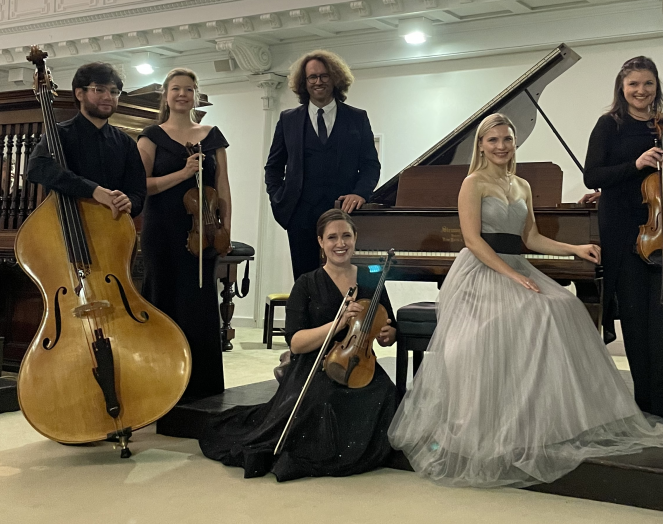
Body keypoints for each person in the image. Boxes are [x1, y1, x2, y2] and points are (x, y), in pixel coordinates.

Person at [387, 113, 663, 488]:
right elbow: (473, 241)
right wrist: (512, 276)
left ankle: (551, 417)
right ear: (481, 146)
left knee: (565, 306)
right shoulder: (472, 183)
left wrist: (574, 248)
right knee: (529, 313)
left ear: (515, 143)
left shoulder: (522, 185)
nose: (501, 146)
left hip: (516, 265)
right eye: (493, 140)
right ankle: (501, 421)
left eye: (507, 139)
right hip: (481, 271)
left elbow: (531, 238)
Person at [200, 209, 398, 481]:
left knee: (385, 393)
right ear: (320, 242)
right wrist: (338, 323)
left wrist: (388, 334)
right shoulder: (306, 283)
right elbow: (295, 343)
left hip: (360, 363)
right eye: (332, 237)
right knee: (323, 399)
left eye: (346, 236)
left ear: (355, 238)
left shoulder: (370, 279)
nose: (340, 243)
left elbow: (387, 327)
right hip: (314, 364)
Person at [583, 56, 663, 425]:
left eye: (648, 83)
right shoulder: (610, 125)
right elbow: (592, 176)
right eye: (633, 84)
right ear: (622, 88)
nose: (641, 90)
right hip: (624, 233)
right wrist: (635, 165)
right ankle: (646, 400)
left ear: (656, 86)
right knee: (636, 318)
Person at [136, 68, 231, 399]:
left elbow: (222, 186)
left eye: (188, 89)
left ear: (195, 95)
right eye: (176, 89)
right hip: (162, 230)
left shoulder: (212, 136)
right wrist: (183, 173)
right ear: (166, 95)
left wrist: (225, 227)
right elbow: (141, 185)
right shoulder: (151, 136)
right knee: (163, 300)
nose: (182, 94)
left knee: (200, 304)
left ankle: (203, 387)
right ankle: (161, 385)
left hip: (204, 231)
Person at [265, 49, 381, 279]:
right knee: (306, 281)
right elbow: (273, 167)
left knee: (345, 280)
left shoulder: (357, 118)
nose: (318, 81)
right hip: (300, 216)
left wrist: (360, 193)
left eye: (324, 76)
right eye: (312, 77)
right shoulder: (288, 120)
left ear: (335, 78)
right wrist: (279, 201)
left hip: (344, 214)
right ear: (304, 82)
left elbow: (370, 165)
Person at [27, 62, 145, 220]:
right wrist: (93, 190)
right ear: (79, 94)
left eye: (114, 91)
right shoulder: (60, 134)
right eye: (99, 89)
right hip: (64, 224)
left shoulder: (126, 143)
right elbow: (37, 167)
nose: (108, 97)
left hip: (113, 227)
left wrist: (129, 202)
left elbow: (138, 191)